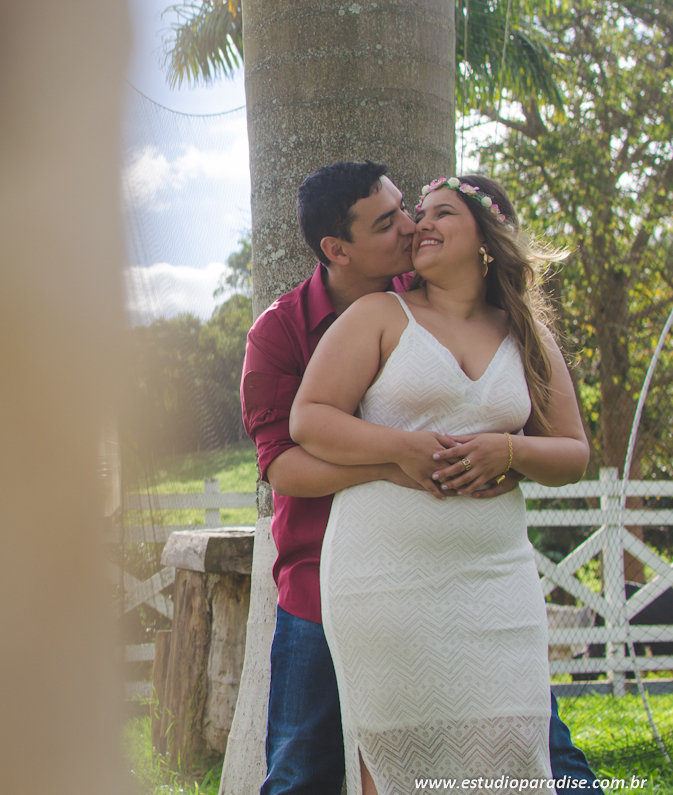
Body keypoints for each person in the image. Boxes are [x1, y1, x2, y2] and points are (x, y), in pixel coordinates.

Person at [240, 161, 600, 794]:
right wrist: (400, 460)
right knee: (309, 767)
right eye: (397, 219)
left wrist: (508, 451)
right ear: (338, 249)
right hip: (335, 571)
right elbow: (288, 454)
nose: (414, 226)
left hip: (488, 573)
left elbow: (571, 449)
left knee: (528, 756)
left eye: (428, 211)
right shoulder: (304, 326)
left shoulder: (508, 324)